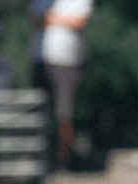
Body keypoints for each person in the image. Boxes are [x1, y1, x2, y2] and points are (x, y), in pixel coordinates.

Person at [40, 0, 93, 168]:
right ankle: (43, 160)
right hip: (46, 61)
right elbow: (38, 18)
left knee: (64, 116)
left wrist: (55, 19)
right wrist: (60, 20)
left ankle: (63, 162)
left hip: (69, 64)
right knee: (40, 113)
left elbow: (80, 21)